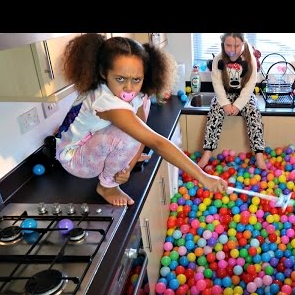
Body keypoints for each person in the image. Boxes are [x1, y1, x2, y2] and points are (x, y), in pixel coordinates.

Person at [55, 33, 228, 206]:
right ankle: (107, 186)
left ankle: (115, 166)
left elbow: (141, 127)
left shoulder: (136, 95)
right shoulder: (106, 101)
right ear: (103, 73)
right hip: (74, 158)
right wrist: (203, 177)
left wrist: (128, 166)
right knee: (131, 134)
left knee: (139, 116)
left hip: (93, 144)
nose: (129, 87)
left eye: (136, 79)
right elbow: (154, 142)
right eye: (120, 79)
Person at [197, 33, 267, 170]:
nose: (232, 50)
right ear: (223, 44)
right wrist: (225, 104)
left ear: (243, 43)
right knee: (214, 112)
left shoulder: (250, 59)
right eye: (228, 45)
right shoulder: (218, 59)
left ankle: (259, 156)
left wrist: (238, 105)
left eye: (237, 46)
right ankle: (207, 154)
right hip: (225, 95)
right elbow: (217, 84)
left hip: (244, 96)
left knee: (254, 114)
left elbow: (250, 86)